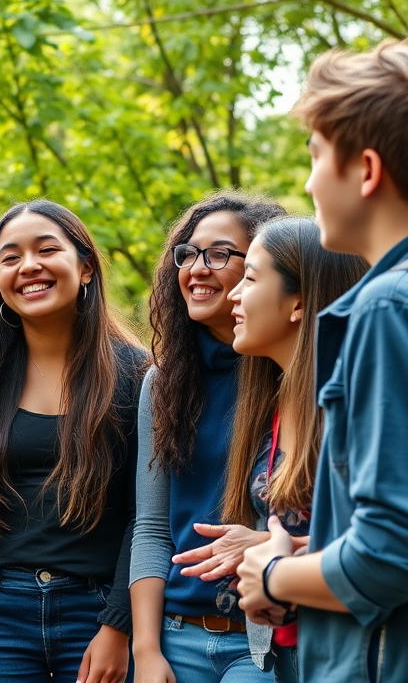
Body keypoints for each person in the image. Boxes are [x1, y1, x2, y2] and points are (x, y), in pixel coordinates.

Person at [237, 40, 408, 683]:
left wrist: (275, 575)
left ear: (366, 170)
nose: (309, 182)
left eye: (315, 156)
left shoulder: (394, 308)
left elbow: (395, 558)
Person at [0, 200, 148, 683]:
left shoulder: (135, 375)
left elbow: (145, 514)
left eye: (47, 250)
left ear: (85, 267)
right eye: (10, 257)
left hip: (98, 609)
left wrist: (119, 625)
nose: (29, 266)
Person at [172, 216, 366, 682]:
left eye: (251, 278)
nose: (235, 293)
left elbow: (395, 547)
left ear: (298, 303)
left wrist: (267, 555)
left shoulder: (357, 404)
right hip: (295, 651)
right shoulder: (280, 402)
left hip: (356, 653)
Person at [129, 192, 285, 683]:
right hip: (176, 635)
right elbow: (152, 527)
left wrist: (263, 544)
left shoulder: (293, 373)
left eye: (219, 254)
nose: (197, 268)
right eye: (188, 253)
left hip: (261, 642)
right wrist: (148, 650)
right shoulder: (165, 381)